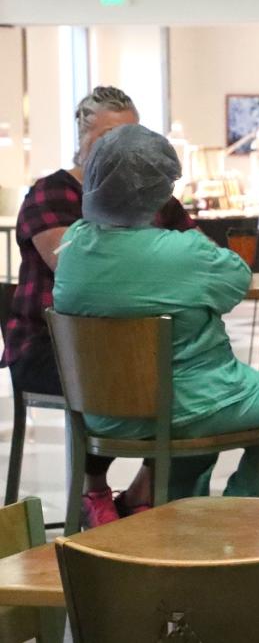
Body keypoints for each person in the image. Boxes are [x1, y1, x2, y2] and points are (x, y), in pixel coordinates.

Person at [53, 123, 259, 502]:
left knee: (197, 431)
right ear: (161, 188)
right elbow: (236, 281)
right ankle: (234, 518)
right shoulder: (184, 251)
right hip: (188, 402)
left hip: (102, 411)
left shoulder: (74, 245)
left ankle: (174, 519)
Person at [0, 86, 196, 527]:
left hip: (134, 343)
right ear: (82, 136)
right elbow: (72, 265)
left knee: (197, 382)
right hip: (50, 346)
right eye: (107, 136)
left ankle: (144, 488)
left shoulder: (154, 196)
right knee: (125, 373)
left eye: (131, 135)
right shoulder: (51, 193)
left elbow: (196, 252)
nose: (120, 148)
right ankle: (94, 492)